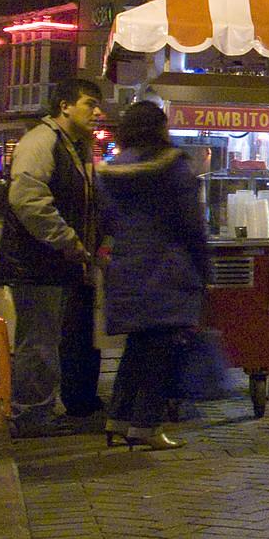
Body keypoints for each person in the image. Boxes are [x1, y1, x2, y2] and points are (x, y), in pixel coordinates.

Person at [95, 102, 210, 450]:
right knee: (161, 352)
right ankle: (146, 425)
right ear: (160, 129)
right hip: (167, 269)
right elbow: (191, 224)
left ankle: (118, 419)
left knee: (137, 347)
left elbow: (106, 221)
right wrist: (204, 269)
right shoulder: (173, 167)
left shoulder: (111, 171)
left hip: (127, 268)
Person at [2, 76, 105, 437]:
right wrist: (67, 240)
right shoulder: (42, 142)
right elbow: (29, 200)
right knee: (38, 342)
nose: (97, 112)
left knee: (46, 341)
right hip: (37, 264)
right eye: (90, 104)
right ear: (65, 106)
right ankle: (30, 416)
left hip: (55, 264)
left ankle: (40, 409)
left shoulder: (72, 145)